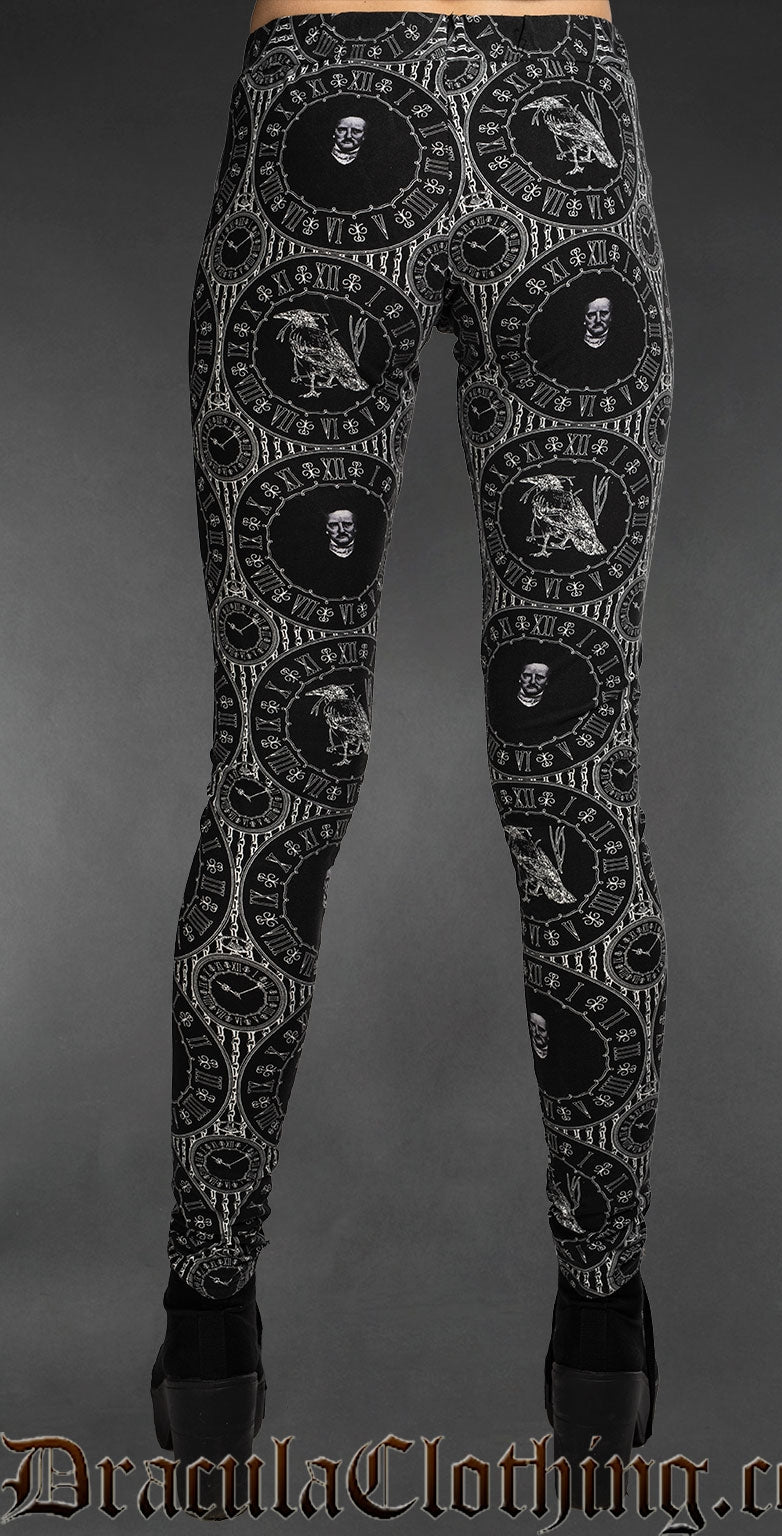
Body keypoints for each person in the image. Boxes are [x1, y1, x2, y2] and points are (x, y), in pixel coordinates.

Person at [150, 0, 673, 1515]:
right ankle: (601, 1337)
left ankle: (205, 1341)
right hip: (560, 119)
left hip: (319, 97)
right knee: (575, 775)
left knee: (276, 773)